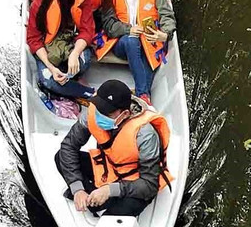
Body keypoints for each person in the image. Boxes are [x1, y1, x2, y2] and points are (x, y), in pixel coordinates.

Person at [55, 78, 171, 217]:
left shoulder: (145, 134)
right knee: (60, 156)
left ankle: (102, 201)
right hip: (109, 168)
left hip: (134, 180)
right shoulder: (93, 113)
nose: (100, 115)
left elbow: (149, 184)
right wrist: (77, 188)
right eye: (99, 108)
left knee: (124, 209)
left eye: (107, 113)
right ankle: (93, 198)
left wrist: (110, 190)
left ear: (125, 114)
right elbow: (69, 146)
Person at [96, 0, 175, 101]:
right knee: (132, 41)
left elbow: (166, 14)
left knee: (147, 50)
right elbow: (108, 24)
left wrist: (165, 34)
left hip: (148, 40)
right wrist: (128, 29)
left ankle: (143, 97)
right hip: (122, 41)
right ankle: (143, 94)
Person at [27, 0, 101, 102]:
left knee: (83, 63)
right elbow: (34, 39)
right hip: (49, 47)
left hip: (71, 42)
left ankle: (66, 82)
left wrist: (75, 53)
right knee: (48, 80)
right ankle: (89, 93)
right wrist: (50, 67)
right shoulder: (40, 2)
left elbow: (87, 31)